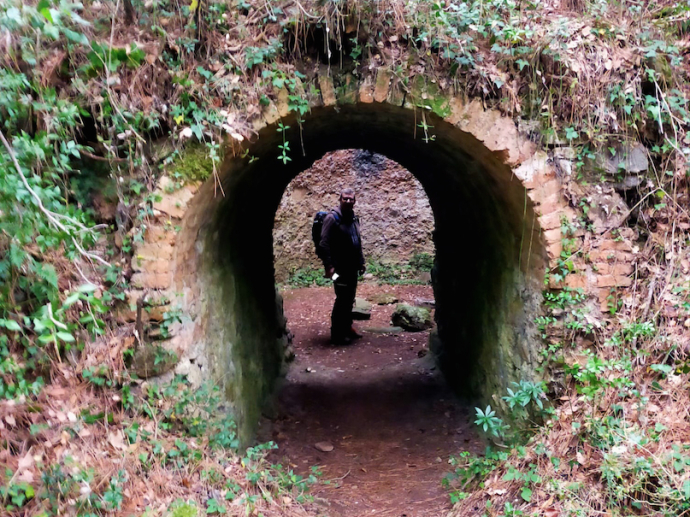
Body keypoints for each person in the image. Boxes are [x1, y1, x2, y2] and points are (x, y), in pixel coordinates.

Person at [319, 188, 366, 344]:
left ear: (354, 201)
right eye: (345, 198)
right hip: (338, 269)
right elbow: (324, 243)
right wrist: (329, 266)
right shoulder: (332, 219)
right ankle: (337, 334)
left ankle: (347, 327)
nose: (348, 201)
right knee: (342, 298)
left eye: (351, 199)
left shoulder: (352, 218)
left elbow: (356, 240)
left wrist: (361, 262)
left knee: (349, 297)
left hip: (351, 268)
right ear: (340, 199)